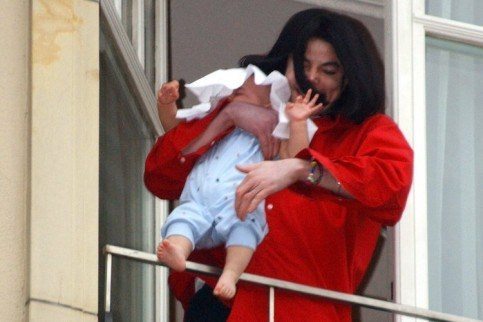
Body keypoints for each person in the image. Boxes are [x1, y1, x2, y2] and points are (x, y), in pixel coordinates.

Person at [144, 8, 414, 322]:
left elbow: (390, 190)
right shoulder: (248, 105)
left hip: (301, 312)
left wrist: (303, 169)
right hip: (224, 306)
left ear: (349, 77)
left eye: (328, 70)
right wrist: (228, 117)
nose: (310, 78)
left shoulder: (368, 132)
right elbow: (159, 177)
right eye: (303, 64)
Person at [155, 65, 323, 300]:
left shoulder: (275, 132)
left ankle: (230, 275)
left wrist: (296, 122)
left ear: (269, 101)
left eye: (245, 86)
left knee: (247, 227)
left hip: (240, 205)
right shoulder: (216, 125)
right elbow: (175, 133)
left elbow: (295, 158)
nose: (235, 90)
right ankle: (178, 253)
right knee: (183, 218)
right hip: (198, 202)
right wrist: (166, 105)